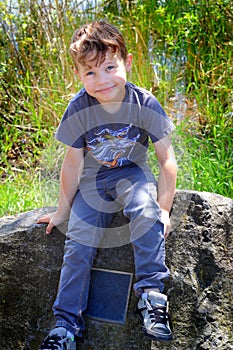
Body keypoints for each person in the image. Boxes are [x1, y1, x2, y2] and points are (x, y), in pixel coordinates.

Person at [37, 20, 177, 350]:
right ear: (78, 75)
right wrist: (62, 211)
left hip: (132, 173)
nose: (101, 81)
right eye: (90, 73)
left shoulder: (143, 103)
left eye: (109, 68)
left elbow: (166, 159)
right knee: (79, 239)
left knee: (146, 212)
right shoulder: (79, 108)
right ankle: (65, 327)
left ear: (127, 63)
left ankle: (152, 296)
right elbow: (72, 163)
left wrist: (164, 209)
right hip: (92, 183)